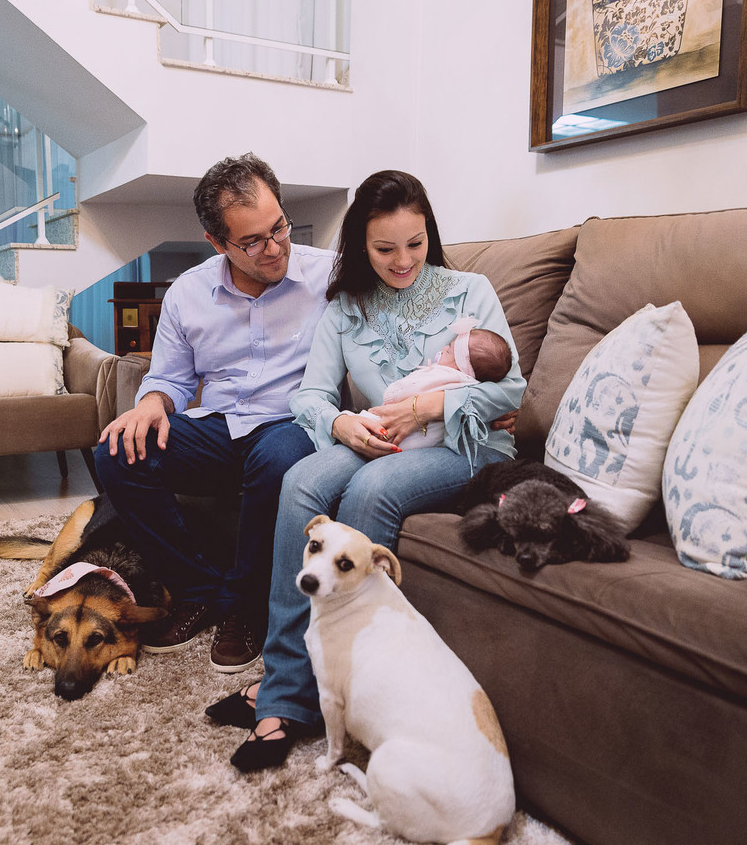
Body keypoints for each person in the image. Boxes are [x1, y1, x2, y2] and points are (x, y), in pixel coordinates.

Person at [205, 169, 527, 771]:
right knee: (301, 480)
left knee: (370, 487)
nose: (403, 260)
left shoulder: (470, 291)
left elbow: (510, 391)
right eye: (385, 249)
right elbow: (309, 395)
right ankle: (288, 688)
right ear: (360, 246)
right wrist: (341, 424)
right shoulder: (346, 308)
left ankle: (336, 690)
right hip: (375, 437)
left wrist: (428, 405)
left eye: (415, 243)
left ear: (429, 233)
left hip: (463, 444)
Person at [94, 153, 333, 674]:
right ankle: (197, 590)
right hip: (221, 429)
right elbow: (170, 380)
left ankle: (243, 607)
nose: (275, 249)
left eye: (279, 228)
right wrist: (150, 406)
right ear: (217, 242)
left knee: (277, 457)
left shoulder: (329, 276)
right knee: (114, 454)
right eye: (252, 242)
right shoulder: (188, 292)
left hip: (293, 424)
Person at [361, 319, 513, 450]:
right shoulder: (469, 382)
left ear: (460, 366)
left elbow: (410, 387)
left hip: (413, 437)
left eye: (449, 351)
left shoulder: (443, 375)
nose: (444, 348)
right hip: (429, 440)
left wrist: (392, 394)